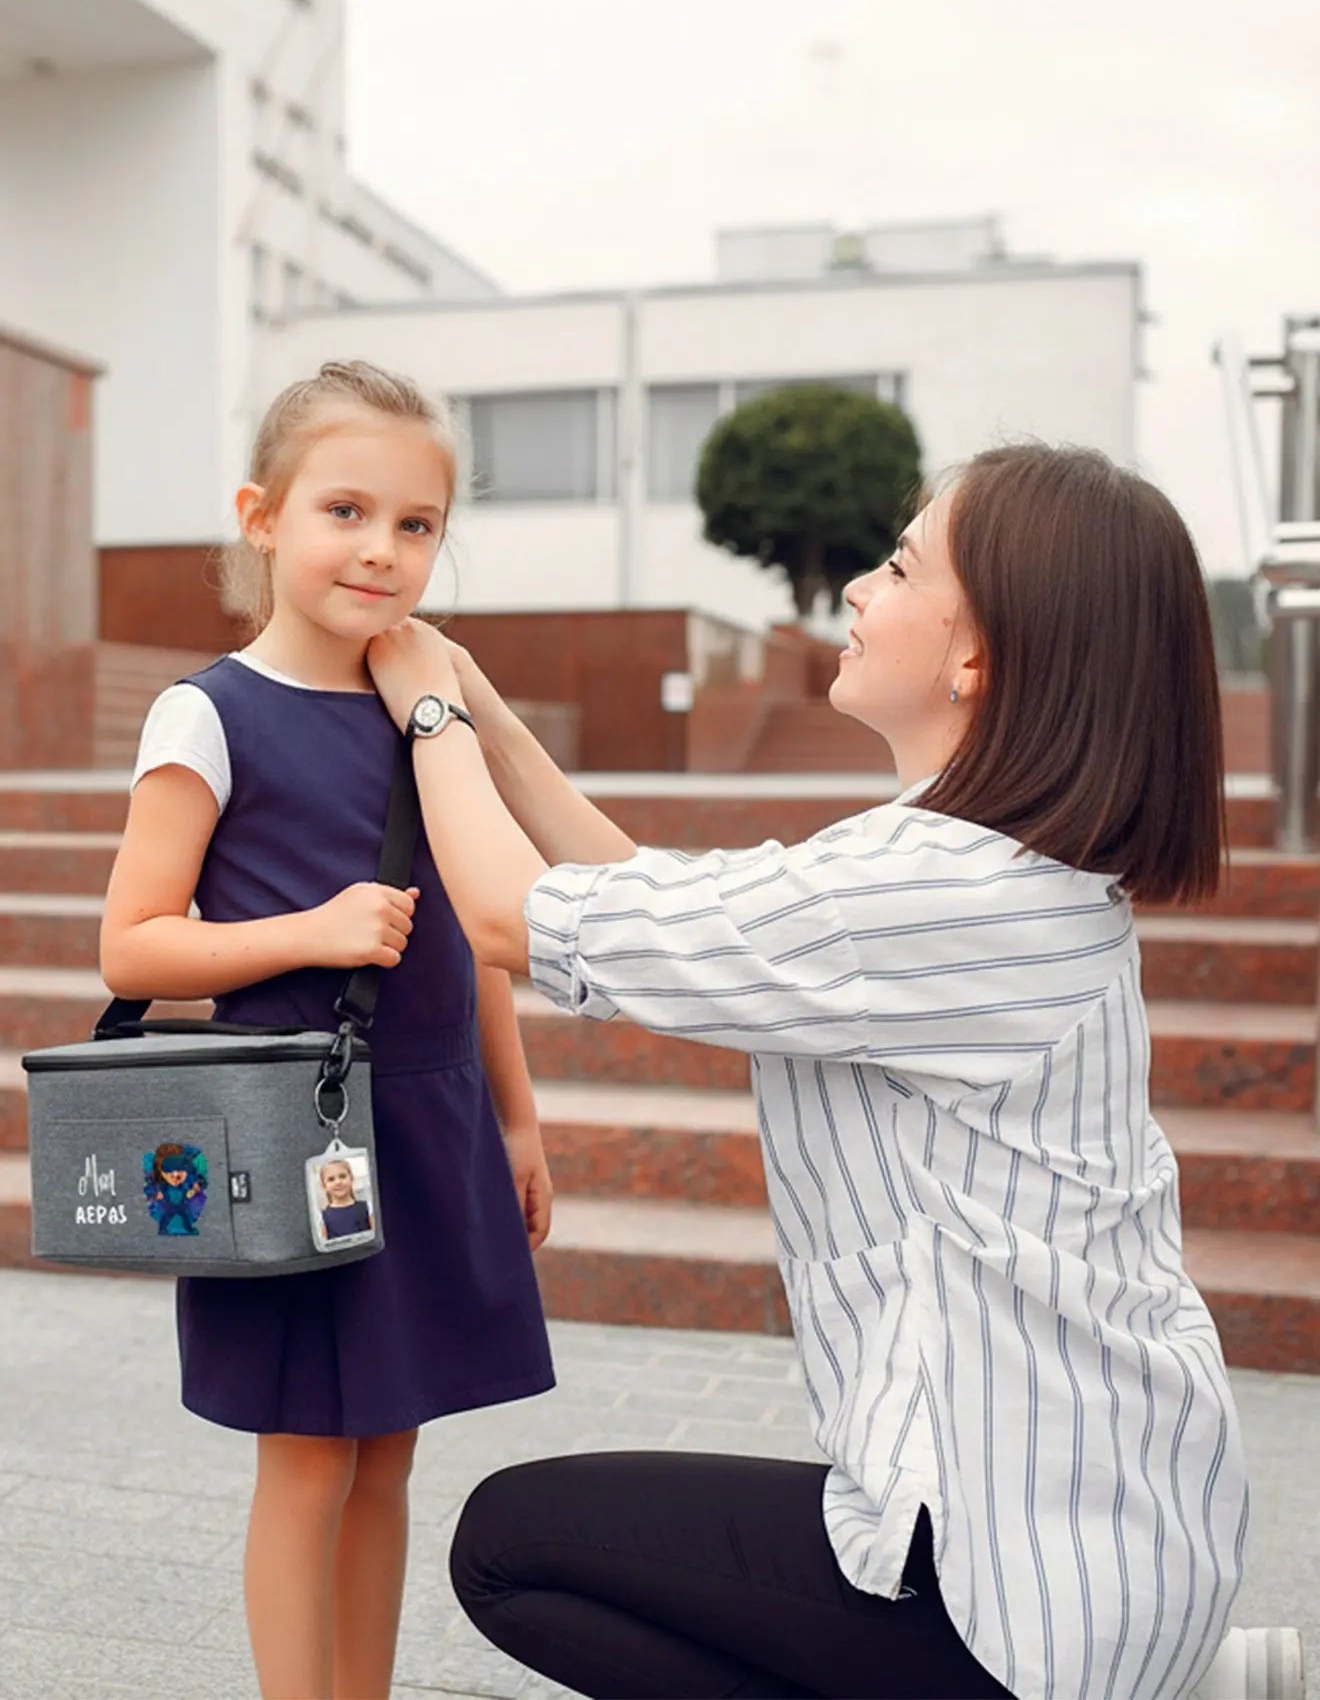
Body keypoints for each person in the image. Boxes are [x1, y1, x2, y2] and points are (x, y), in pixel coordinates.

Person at [366, 443, 1250, 1700]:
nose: (856, 592)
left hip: (1018, 1597)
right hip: (1116, 1529)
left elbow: (514, 921)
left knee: (510, 1546)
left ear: (976, 657)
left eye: (897, 567)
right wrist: (491, 719)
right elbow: (642, 897)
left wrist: (428, 711)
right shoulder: (991, 872)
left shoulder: (930, 890)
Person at [98, 359, 556, 1700]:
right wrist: (313, 930)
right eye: (345, 511)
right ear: (263, 516)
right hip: (289, 1135)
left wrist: (519, 1119)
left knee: (392, 1448)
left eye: (416, 525)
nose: (382, 549)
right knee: (304, 1453)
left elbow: (477, 929)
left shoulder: (425, 711)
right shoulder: (208, 711)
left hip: (429, 1121)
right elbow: (133, 942)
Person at [319, 1156, 373, 1241]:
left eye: (342, 1176)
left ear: (351, 1179)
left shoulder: (368, 1207)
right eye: (331, 1179)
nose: (338, 1182)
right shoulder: (322, 1217)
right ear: (323, 1186)